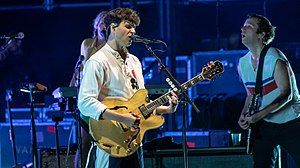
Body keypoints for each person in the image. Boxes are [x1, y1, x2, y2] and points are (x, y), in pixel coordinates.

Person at [77, 7, 178, 168]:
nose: (133, 31)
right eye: (128, 26)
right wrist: (122, 118)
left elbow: (139, 108)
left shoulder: (135, 62)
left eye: (135, 28)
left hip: (134, 142)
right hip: (109, 141)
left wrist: (166, 109)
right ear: (113, 27)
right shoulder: (98, 61)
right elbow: (84, 102)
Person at [238, 14, 300, 167]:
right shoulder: (242, 64)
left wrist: (258, 115)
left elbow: (287, 94)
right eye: (243, 26)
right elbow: (250, 94)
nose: (242, 29)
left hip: (291, 122)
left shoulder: (275, 58)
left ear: (261, 34)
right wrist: (244, 114)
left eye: (249, 26)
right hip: (265, 124)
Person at [71, 11, 108, 168]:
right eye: (102, 22)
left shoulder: (115, 47)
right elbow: (79, 69)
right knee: (84, 143)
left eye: (108, 23)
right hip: (87, 99)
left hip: (106, 100)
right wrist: (70, 88)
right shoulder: (87, 44)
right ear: (96, 25)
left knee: (105, 144)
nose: (104, 26)